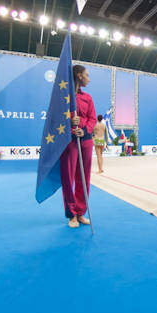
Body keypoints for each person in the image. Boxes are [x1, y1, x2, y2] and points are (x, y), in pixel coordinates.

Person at [60, 65, 96, 229]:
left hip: (86, 141)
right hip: (69, 141)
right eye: (87, 75)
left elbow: (92, 118)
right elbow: (56, 118)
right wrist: (70, 120)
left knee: (83, 177)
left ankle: (81, 212)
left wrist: (85, 129)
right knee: (68, 178)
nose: (89, 79)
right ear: (79, 75)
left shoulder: (88, 97)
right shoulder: (65, 97)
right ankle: (72, 214)